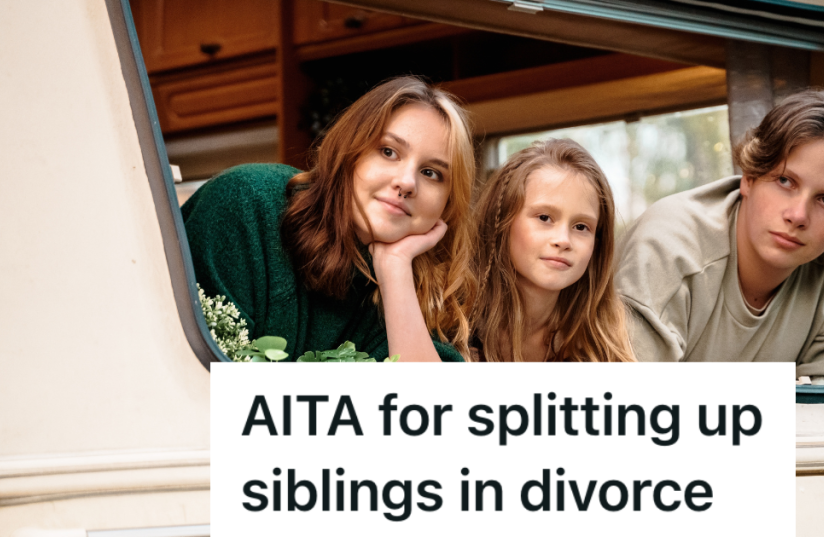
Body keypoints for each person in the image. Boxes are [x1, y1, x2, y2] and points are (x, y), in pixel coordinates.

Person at [615, 89, 824, 383]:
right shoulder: (668, 247)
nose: (798, 215)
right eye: (785, 181)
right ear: (749, 178)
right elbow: (633, 402)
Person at [182, 76, 476, 362]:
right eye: (388, 151)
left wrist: (394, 268)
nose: (407, 181)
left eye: (431, 173)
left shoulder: (430, 288)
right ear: (348, 152)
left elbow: (432, 406)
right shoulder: (246, 204)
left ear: (446, 205)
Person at [470, 139, 635, 362]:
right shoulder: (450, 320)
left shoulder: (603, 340)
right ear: (500, 223)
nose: (563, 240)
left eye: (581, 227)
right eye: (545, 218)